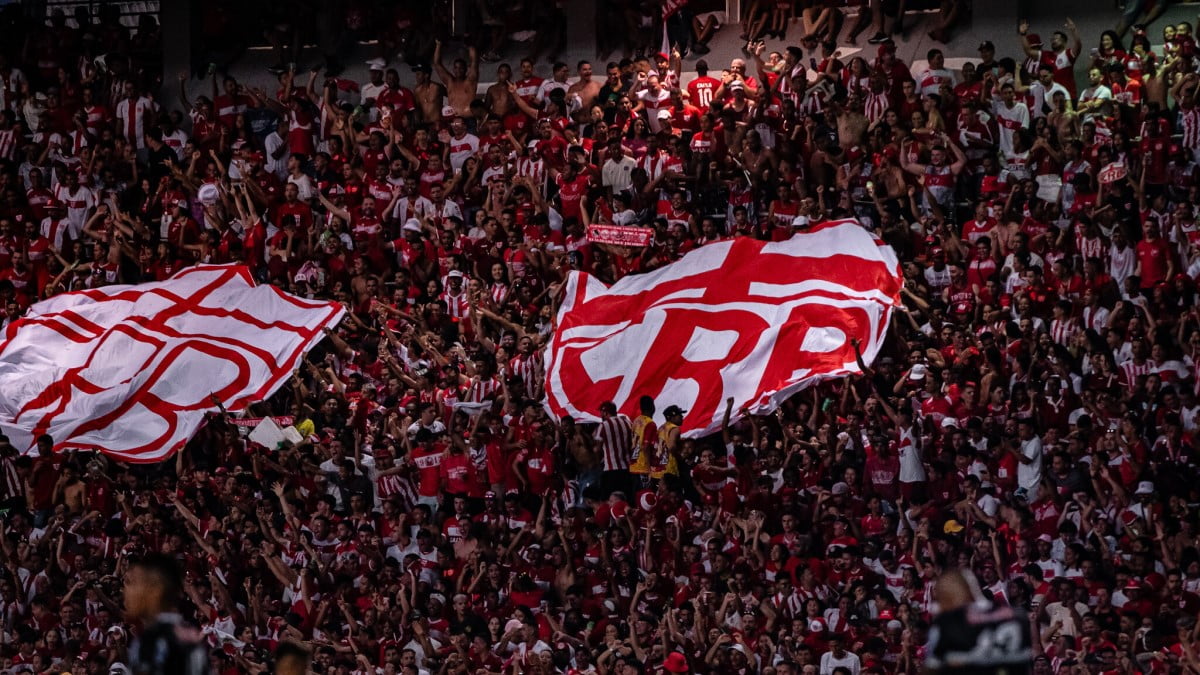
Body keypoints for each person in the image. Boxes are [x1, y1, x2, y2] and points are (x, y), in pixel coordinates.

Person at [123, 554, 208, 675]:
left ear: (155, 591)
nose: (127, 590)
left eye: (134, 584)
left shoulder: (152, 641)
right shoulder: (190, 634)